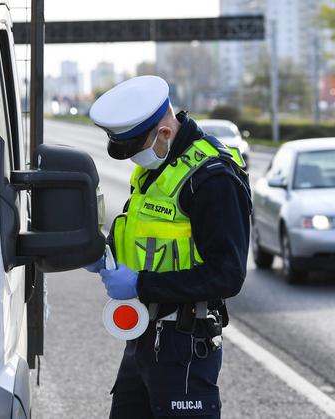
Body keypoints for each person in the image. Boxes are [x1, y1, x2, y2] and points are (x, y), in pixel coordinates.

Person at [87, 75, 252, 419]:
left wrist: (141, 284)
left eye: (137, 150)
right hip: (145, 336)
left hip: (184, 343)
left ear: (164, 133)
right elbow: (150, 234)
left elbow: (228, 274)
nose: (135, 161)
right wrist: (102, 253)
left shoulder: (212, 177)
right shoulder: (159, 168)